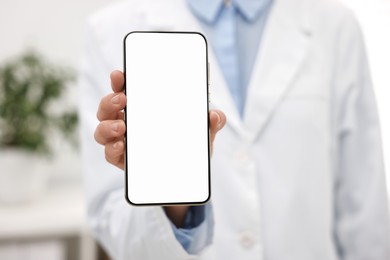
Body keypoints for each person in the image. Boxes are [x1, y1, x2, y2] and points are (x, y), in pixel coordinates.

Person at [79, 0, 390, 259]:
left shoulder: (335, 26)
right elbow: (117, 229)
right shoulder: (108, 31)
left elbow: (364, 210)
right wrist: (174, 199)